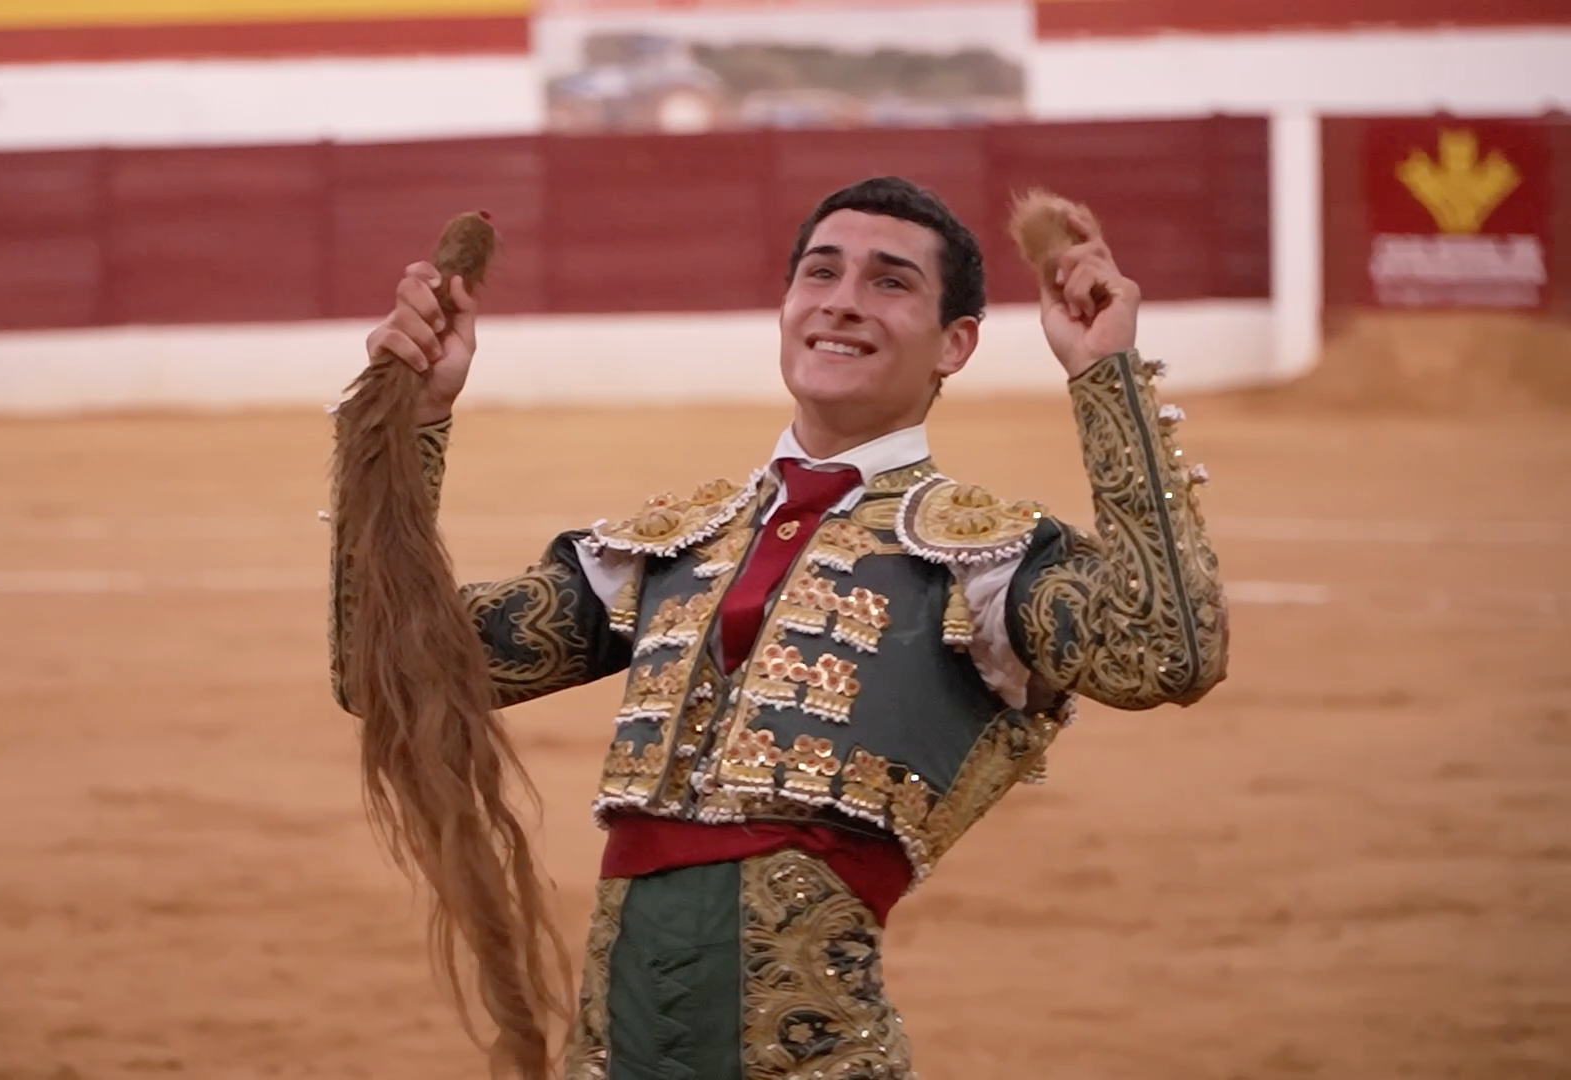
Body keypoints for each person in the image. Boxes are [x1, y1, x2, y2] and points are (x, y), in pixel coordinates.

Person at [330, 175, 1229, 1080]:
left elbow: (1167, 651)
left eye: (890, 282)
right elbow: (389, 673)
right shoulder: (673, 547)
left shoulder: (984, 560)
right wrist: (407, 429)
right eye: (820, 272)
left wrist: (1104, 375)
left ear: (955, 344)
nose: (842, 301)